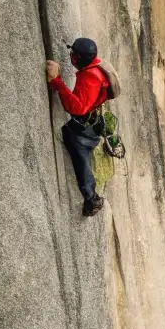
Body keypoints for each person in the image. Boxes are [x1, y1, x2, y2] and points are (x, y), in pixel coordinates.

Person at [45, 37, 110, 216]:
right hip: (92, 123)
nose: (71, 57)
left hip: (85, 128)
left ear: (79, 58)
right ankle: (92, 196)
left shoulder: (91, 76)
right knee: (82, 156)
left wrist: (57, 81)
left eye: (74, 54)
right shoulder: (92, 69)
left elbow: (78, 108)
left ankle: (91, 198)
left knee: (79, 155)